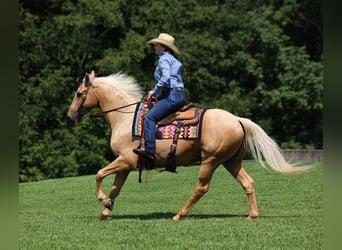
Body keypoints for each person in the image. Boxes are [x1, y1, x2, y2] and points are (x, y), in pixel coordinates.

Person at [133, 33, 186, 160]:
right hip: (177, 94)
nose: (155, 47)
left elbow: (165, 77)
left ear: (163, 47)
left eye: (157, 44)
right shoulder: (173, 59)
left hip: (171, 95)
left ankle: (149, 150)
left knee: (149, 117)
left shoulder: (164, 59)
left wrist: (154, 91)